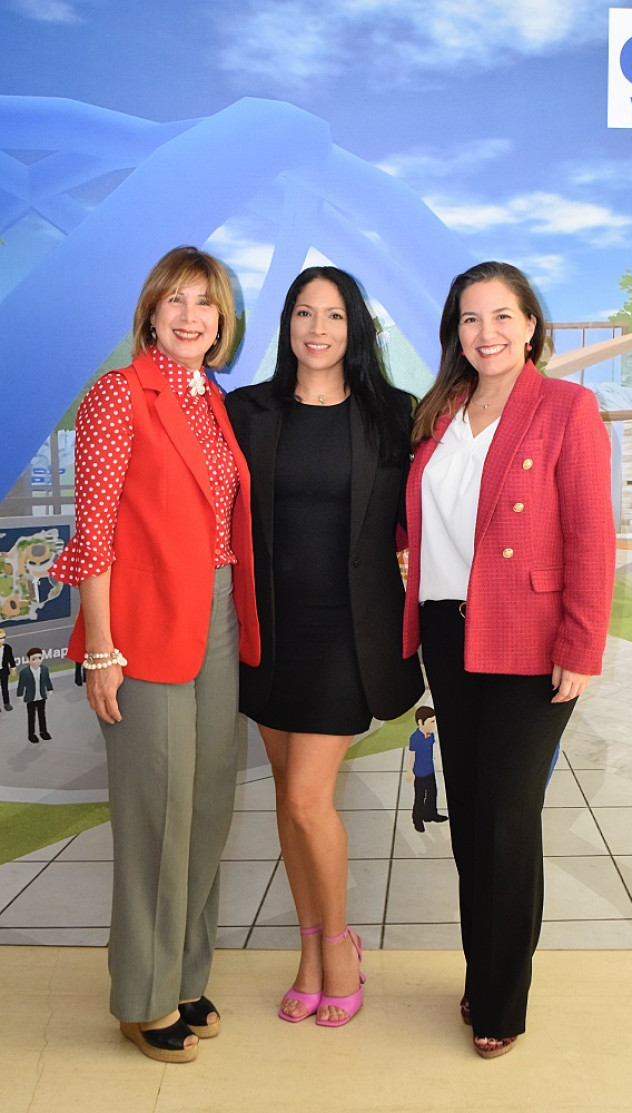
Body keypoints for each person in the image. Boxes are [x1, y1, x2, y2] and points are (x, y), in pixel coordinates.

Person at [51, 246, 260, 1064]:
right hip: (138, 623)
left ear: (222, 320)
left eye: (205, 303)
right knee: (154, 812)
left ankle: (183, 973)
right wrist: (100, 649)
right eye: (174, 300)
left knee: (207, 801)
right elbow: (93, 531)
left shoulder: (214, 400)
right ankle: (141, 993)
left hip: (216, 613)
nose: (190, 316)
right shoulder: (116, 395)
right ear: (150, 311)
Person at [402, 261, 616, 1059]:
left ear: (531, 324)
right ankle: (482, 967)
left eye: (501, 317)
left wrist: (581, 646)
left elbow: (592, 535)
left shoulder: (567, 406)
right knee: (471, 825)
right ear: (454, 332)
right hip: (449, 636)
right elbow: (421, 521)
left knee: (507, 819)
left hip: (531, 640)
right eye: (469, 319)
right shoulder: (441, 412)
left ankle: (501, 1000)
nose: (485, 333)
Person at [226, 265, 423, 1028]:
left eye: (334, 315)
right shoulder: (248, 411)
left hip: (350, 633)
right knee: (288, 796)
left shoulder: (392, 415)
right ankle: (309, 947)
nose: (318, 328)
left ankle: (339, 946)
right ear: (286, 325)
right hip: (270, 633)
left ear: (355, 328)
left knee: (310, 799)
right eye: (304, 313)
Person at [406, 705, 447, 832]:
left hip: (430, 770)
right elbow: (412, 756)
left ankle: (431, 814)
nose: (434, 724)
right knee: (420, 796)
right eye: (431, 721)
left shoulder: (431, 736)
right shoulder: (415, 738)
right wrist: (409, 771)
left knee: (432, 793)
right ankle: (417, 819)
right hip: (419, 773)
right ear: (421, 722)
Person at [16, 647, 53, 743]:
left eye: (39, 658)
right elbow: (21, 684)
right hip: (30, 697)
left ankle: (43, 731)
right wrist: (19, 695)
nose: (37, 661)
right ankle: (31, 734)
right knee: (31, 716)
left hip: (41, 696)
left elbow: (47, 680)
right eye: (33, 659)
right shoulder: (24, 672)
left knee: (42, 714)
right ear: (28, 659)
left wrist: (50, 689)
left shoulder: (44, 669)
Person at [0, 628, 16, 711]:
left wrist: (13, 667)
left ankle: (6, 703)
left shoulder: (7, 648)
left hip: (3, 670)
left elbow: (11, 658)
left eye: (3, 638)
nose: (2, 640)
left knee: (5, 687)